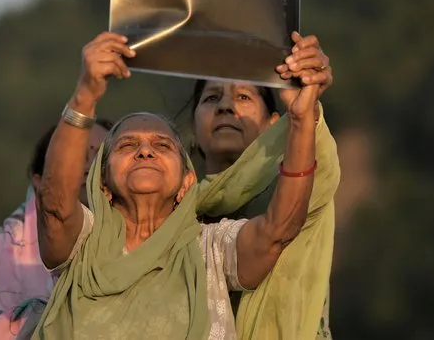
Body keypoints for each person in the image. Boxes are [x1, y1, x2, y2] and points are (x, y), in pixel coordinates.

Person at [30, 31, 321, 339]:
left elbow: (279, 230)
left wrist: (302, 121)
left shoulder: (211, 250)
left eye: (163, 146)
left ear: (186, 183)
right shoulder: (84, 242)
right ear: (102, 183)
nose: (145, 151)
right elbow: (55, 206)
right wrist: (84, 95)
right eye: (128, 145)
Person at [192, 32, 340, 339]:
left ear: (276, 123)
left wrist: (305, 115)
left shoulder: (296, 188)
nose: (225, 106)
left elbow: (320, 163)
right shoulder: (175, 209)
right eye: (211, 98)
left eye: (244, 97)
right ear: (191, 133)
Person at [0, 119, 112, 340]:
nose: (88, 167)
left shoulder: (143, 239)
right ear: (39, 181)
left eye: (101, 158)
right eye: (73, 158)